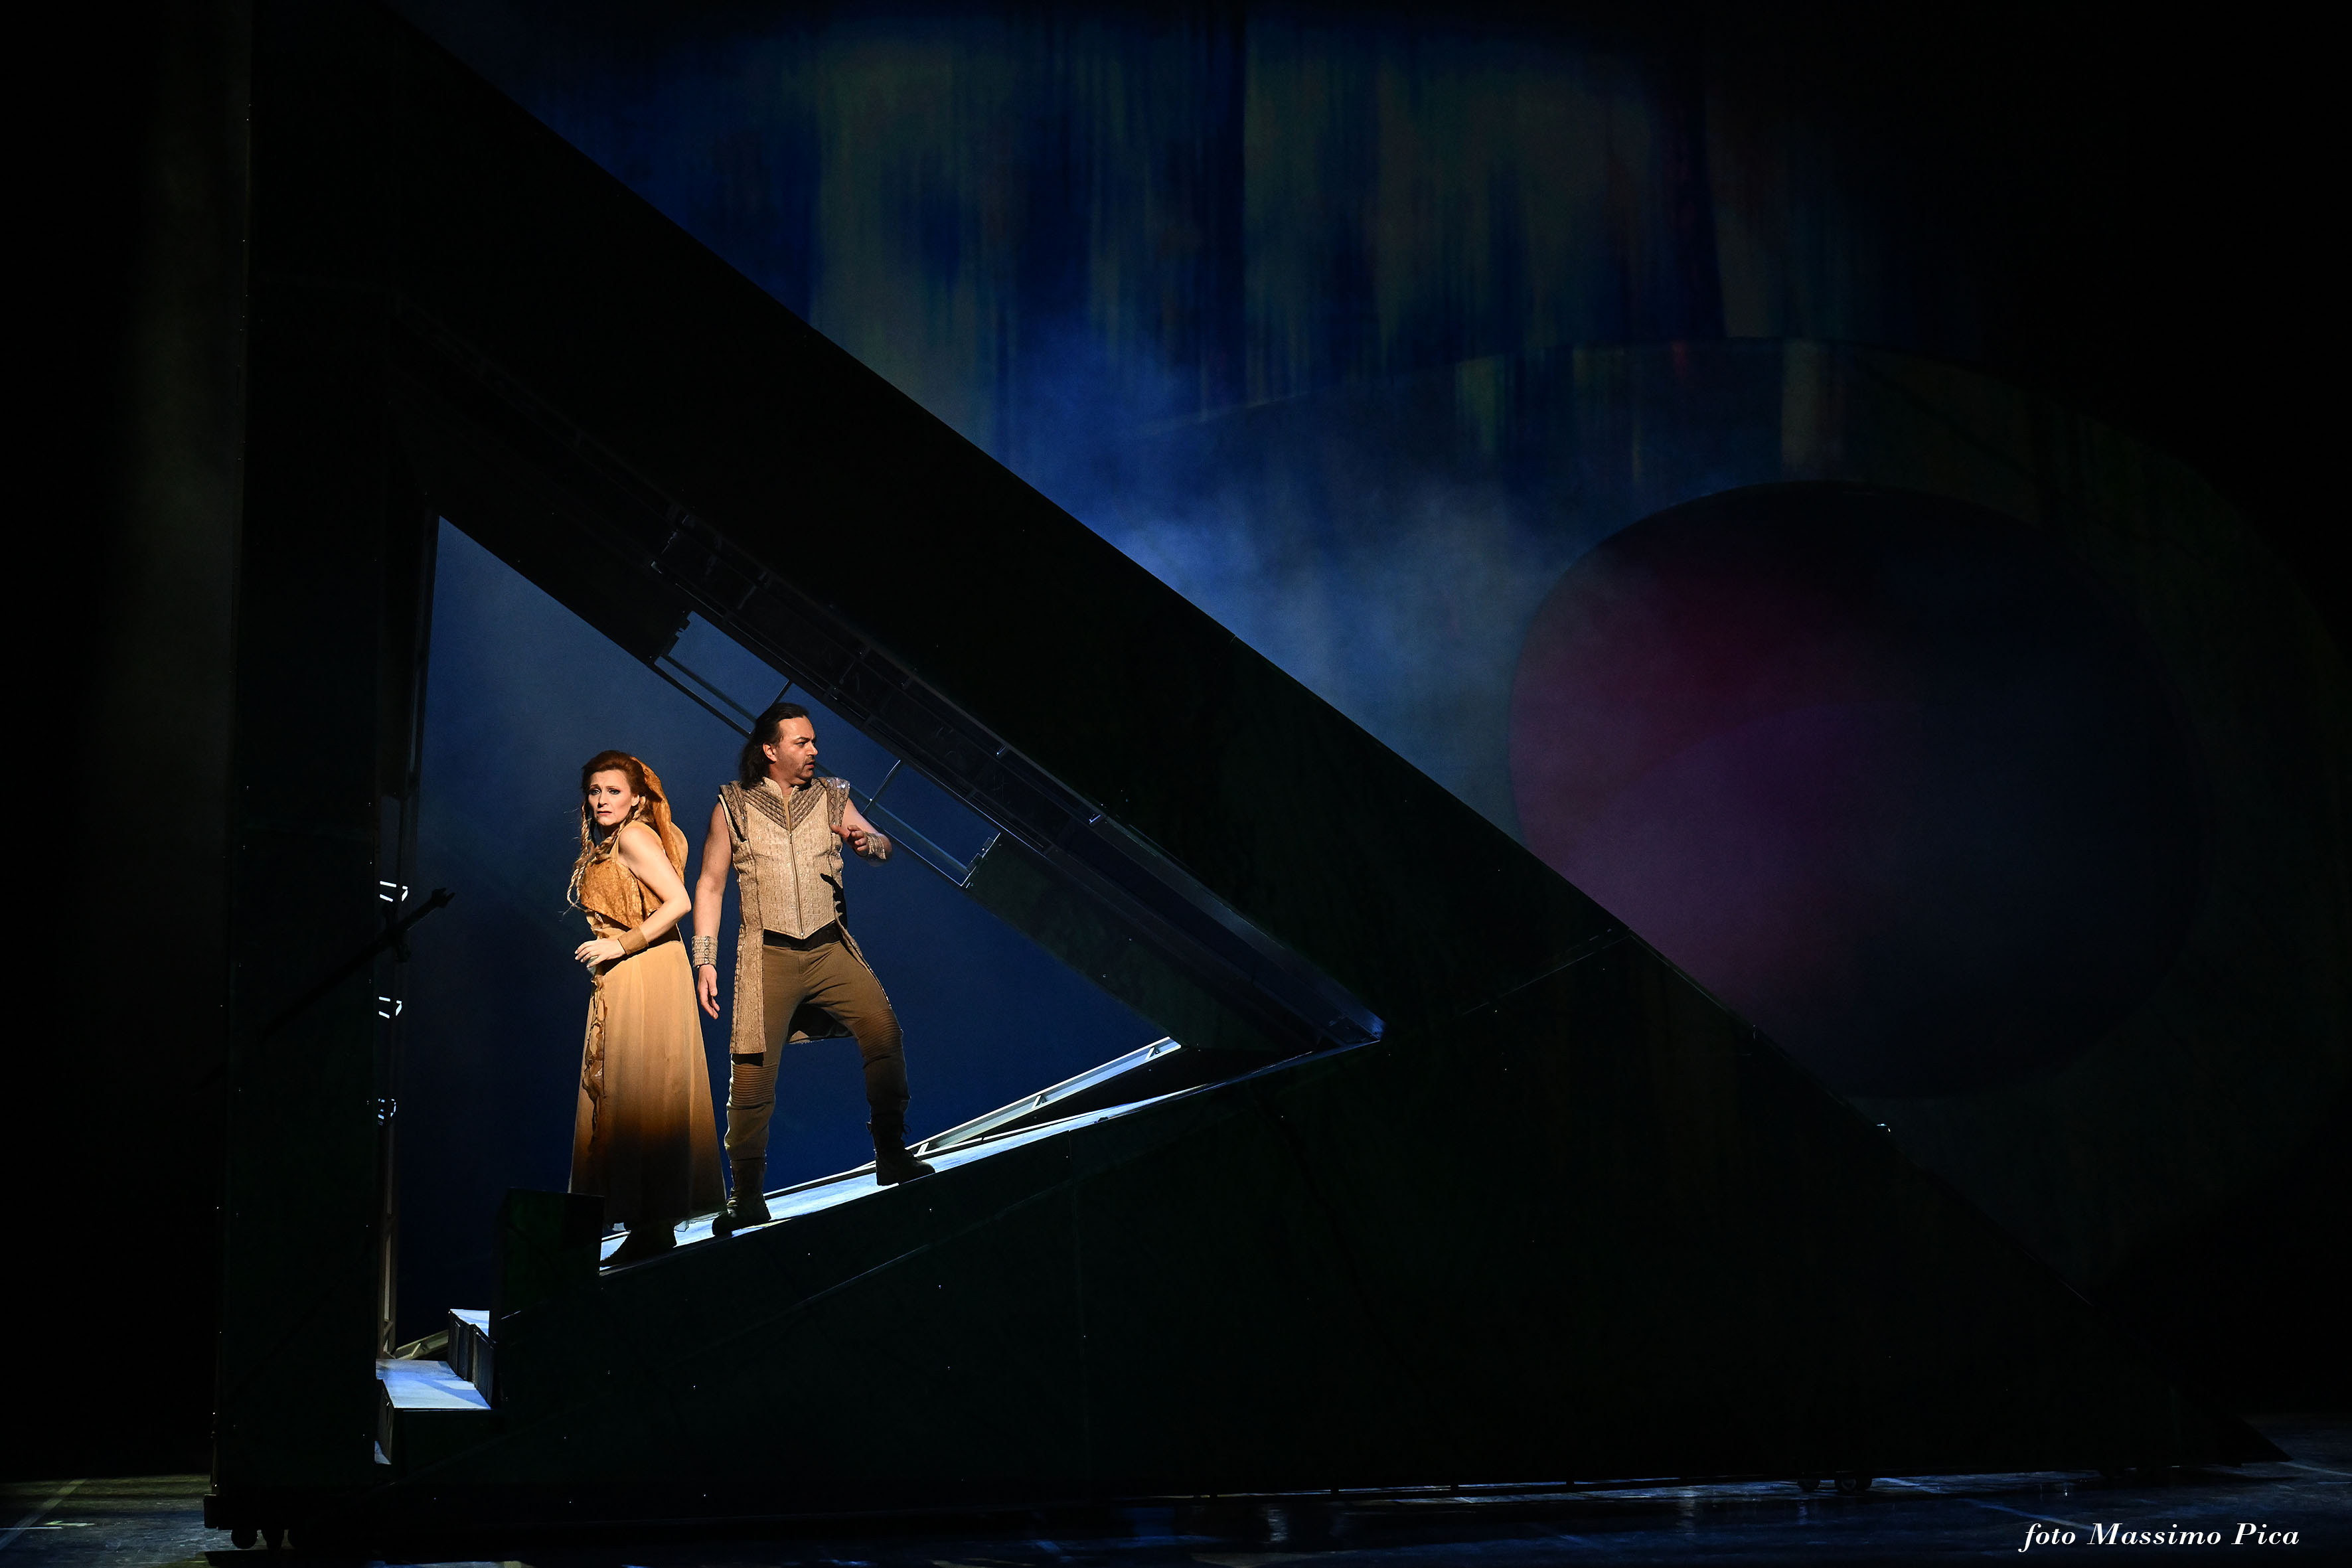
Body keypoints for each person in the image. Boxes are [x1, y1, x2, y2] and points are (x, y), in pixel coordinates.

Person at [692, 700, 933, 1236]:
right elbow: (709, 885)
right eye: (801, 742)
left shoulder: (831, 795)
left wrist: (868, 843)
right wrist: (704, 960)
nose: (813, 751)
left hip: (828, 947)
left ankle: (891, 1153)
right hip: (767, 956)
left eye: (813, 741)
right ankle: (747, 1195)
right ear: (770, 749)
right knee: (751, 1075)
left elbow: (883, 847)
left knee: (883, 1031)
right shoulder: (732, 805)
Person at [566, 749, 724, 1267]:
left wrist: (620, 944)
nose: (602, 799)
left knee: (644, 1093)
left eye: (613, 791)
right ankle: (648, 1224)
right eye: (595, 791)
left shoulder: (634, 835)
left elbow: (679, 901)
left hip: (646, 967)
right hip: (630, 972)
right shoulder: (611, 842)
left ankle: (653, 1224)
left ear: (636, 798)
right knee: (630, 1093)